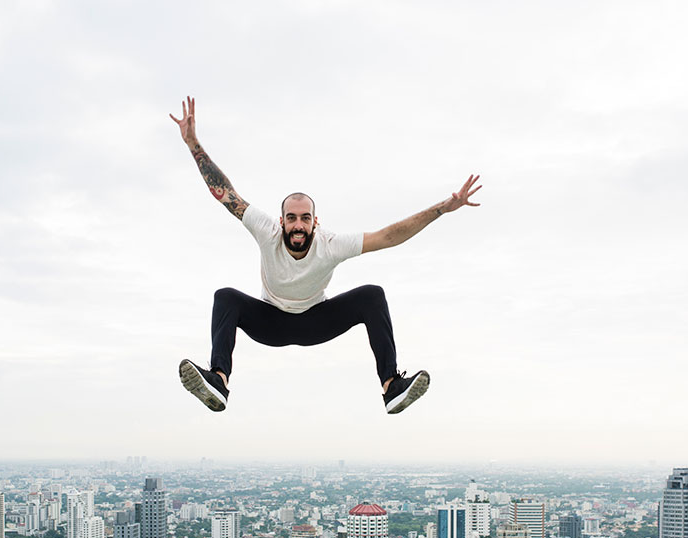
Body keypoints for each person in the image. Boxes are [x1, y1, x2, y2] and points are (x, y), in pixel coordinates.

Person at [170, 96, 481, 414]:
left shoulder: (330, 244)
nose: (298, 225)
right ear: (281, 222)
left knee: (372, 296)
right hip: (270, 321)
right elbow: (226, 194)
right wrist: (193, 144)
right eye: (291, 218)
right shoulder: (267, 231)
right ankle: (218, 382)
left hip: (315, 322)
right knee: (226, 297)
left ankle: (391, 386)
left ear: (315, 222)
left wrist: (443, 208)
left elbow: (389, 236)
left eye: (305, 218)